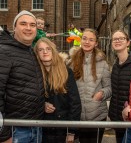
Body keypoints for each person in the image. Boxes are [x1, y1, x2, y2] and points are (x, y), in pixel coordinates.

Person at [0, 10, 45, 143]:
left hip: (35, 127)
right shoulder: (3, 52)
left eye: (32, 25)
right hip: (14, 130)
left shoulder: (31, 51)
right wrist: (3, 135)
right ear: (14, 27)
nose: (28, 28)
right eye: (23, 24)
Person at [34, 37, 81, 143]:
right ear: (37, 53)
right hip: (42, 129)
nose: (45, 52)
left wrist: (71, 131)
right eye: (40, 50)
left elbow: (75, 103)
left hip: (62, 128)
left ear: (53, 51)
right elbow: (29, 97)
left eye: (48, 49)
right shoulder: (35, 72)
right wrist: (42, 104)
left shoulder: (65, 71)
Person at [70, 28, 112, 143]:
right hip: (78, 116)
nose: (87, 42)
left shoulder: (103, 63)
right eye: (84, 38)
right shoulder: (72, 62)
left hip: (97, 116)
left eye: (91, 40)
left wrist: (101, 94)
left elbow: (109, 88)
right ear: (80, 40)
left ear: (96, 43)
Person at [108, 30, 131, 143]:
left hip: (130, 119)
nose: (117, 41)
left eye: (121, 38)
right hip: (117, 117)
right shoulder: (116, 65)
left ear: (128, 42)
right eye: (115, 39)